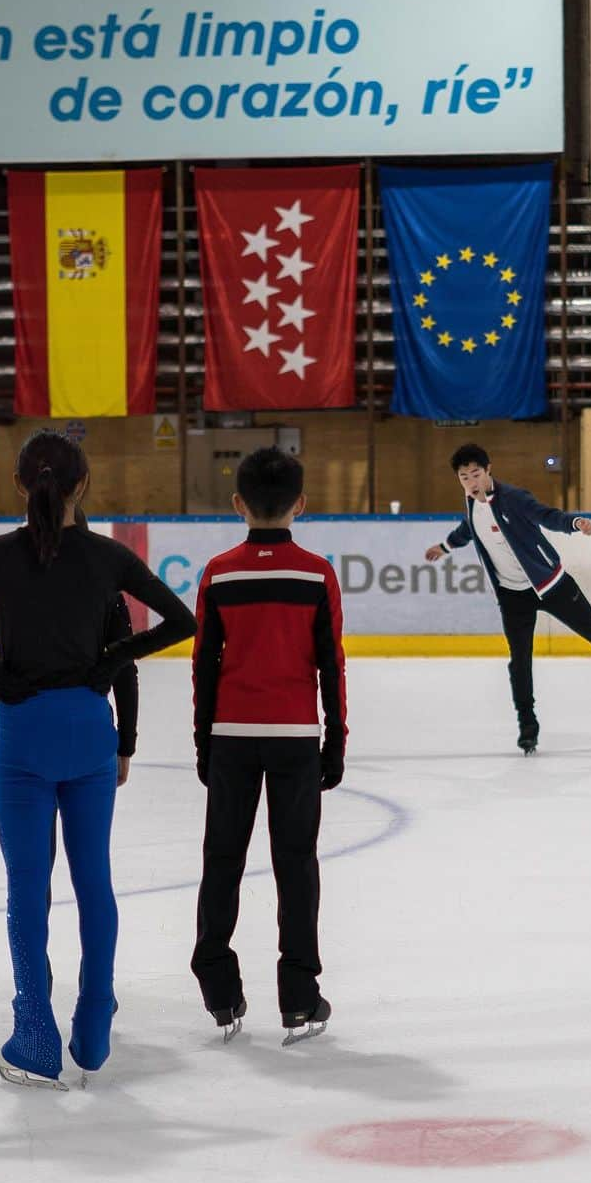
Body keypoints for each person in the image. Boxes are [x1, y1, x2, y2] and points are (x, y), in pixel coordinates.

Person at [0, 430, 197, 1090]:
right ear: (83, 486)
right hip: (88, 727)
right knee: (93, 881)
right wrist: (111, 661)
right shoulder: (108, 558)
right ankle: (96, 1016)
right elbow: (181, 621)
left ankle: (35, 1037)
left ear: (21, 487)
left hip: (22, 730)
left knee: (28, 887)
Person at [191, 446, 346, 1046]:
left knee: (221, 861)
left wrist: (204, 740)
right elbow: (330, 665)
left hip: (232, 736)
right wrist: (334, 740)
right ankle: (300, 997)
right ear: (300, 505)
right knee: (296, 864)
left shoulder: (219, 572)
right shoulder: (316, 573)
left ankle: (219, 988)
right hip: (295, 740)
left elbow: (205, 665)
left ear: (238, 503)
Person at [0, 506, 140, 1001]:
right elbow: (125, 667)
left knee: (33, 871)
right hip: (84, 741)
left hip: (24, 742)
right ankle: (95, 985)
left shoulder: (15, 585)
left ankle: (38, 982)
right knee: (90, 870)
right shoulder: (102, 584)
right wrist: (125, 743)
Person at [424, 443, 591, 754]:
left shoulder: (513, 498)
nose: (471, 482)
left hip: (551, 583)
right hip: (512, 595)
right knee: (519, 662)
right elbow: (469, 528)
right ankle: (527, 724)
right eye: (464, 477)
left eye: (476, 474)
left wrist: (574, 524)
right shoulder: (471, 503)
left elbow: (547, 516)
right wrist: (445, 546)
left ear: (489, 470)